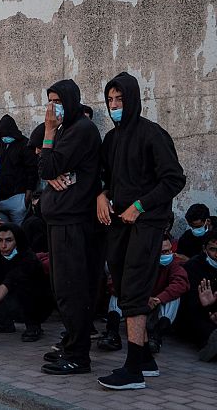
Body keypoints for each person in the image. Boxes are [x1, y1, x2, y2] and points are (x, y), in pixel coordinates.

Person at [96, 72, 186, 389]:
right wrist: (101, 195)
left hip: (147, 224)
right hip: (119, 224)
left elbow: (174, 179)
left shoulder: (153, 135)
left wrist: (141, 206)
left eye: (120, 99)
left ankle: (133, 370)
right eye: (110, 100)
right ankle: (146, 358)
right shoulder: (111, 139)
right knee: (121, 286)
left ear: (133, 99)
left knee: (134, 290)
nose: (115, 105)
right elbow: (106, 178)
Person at [36, 79, 102, 375]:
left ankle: (78, 354)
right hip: (59, 219)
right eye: (49, 101)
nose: (52, 108)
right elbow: (46, 166)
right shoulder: (67, 130)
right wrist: (50, 171)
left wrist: (49, 133)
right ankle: (71, 341)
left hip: (73, 222)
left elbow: (48, 166)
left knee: (72, 287)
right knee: (61, 286)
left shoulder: (80, 130)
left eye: (58, 101)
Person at [99, 235, 188, 354]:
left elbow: (181, 284)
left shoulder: (173, 263)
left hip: (156, 309)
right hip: (136, 306)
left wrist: (158, 299)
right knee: (117, 295)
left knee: (174, 298)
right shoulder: (138, 262)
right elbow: (116, 284)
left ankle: (156, 338)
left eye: (169, 250)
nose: (167, 254)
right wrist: (142, 297)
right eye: (163, 252)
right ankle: (112, 334)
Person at [0, 224, 53, 342]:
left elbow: (9, 282)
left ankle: (33, 326)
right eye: (0, 240)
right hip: (11, 300)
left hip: (37, 304)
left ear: (17, 241)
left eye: (9, 240)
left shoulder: (28, 257)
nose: (3, 245)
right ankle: (4, 322)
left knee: (24, 286)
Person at [178, 231, 217, 361]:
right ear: (204, 249)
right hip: (197, 315)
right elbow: (188, 305)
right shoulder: (194, 267)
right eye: (213, 250)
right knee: (205, 330)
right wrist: (207, 307)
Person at [0, 115, 37, 226]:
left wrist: (27, 195)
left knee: (18, 232)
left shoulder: (25, 145)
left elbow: (32, 170)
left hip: (17, 198)